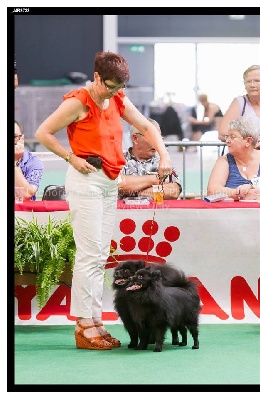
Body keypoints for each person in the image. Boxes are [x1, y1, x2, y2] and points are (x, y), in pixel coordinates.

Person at [35, 51, 172, 351]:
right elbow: (43, 133)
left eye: (119, 87)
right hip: (86, 178)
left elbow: (148, 127)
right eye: (109, 85)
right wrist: (70, 158)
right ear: (96, 77)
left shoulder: (119, 99)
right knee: (88, 255)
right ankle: (84, 324)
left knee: (99, 256)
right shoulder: (78, 101)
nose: (113, 92)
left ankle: (95, 319)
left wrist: (164, 153)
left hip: (111, 180)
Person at [118, 118, 182, 200]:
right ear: (135, 139)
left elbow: (174, 191)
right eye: (153, 137)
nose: (157, 143)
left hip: (154, 212)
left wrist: (137, 193)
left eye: (159, 138)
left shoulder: (162, 162)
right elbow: (119, 185)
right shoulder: (119, 159)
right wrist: (156, 179)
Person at [207, 116, 260, 201]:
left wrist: (255, 189)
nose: (227, 141)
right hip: (232, 213)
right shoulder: (224, 161)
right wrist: (239, 194)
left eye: (232, 137)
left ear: (248, 141)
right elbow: (212, 191)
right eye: (227, 137)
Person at [218, 65, 260, 150]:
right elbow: (222, 133)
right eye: (248, 81)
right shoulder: (240, 102)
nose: (252, 85)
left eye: (257, 81)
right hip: (246, 157)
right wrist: (252, 140)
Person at [14, 120, 44, 201]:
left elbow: (26, 195)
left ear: (22, 139)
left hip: (22, 212)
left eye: (14, 137)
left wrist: (15, 162)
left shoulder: (33, 162)